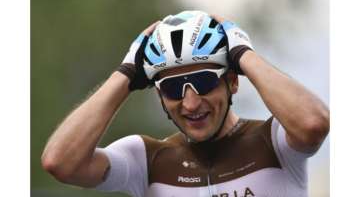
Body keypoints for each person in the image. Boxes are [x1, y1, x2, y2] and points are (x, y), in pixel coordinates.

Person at [41, 11, 329, 197]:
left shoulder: (274, 143)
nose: (190, 103)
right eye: (173, 88)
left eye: (203, 82)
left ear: (232, 81)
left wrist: (243, 53)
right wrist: (125, 73)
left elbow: (313, 124)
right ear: (159, 96)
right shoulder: (146, 160)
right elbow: (61, 163)